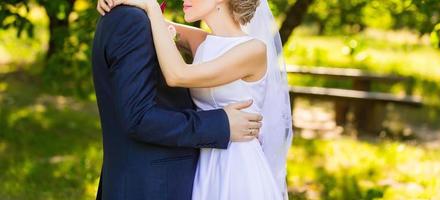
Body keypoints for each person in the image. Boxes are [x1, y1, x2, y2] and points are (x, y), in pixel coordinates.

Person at [96, 0, 293, 199]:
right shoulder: (202, 41)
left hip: (237, 162)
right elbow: (148, 24)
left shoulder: (253, 50)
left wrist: (152, 6)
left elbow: (177, 75)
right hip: (205, 160)